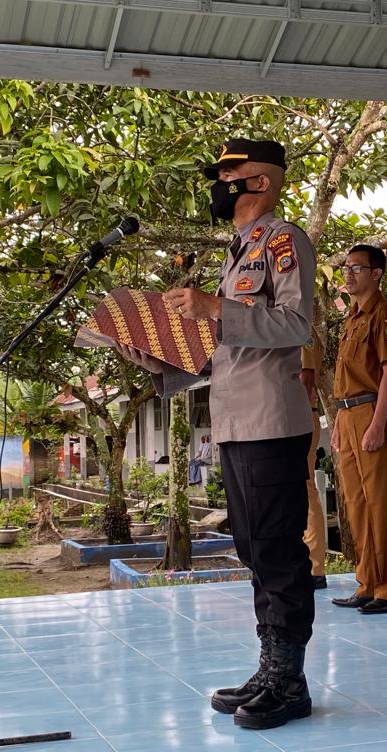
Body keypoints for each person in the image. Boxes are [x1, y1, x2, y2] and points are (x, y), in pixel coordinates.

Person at [114, 137, 316, 729]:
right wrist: (154, 355)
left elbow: (297, 324)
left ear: (261, 182)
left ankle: (290, 679)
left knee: (277, 549)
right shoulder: (237, 251)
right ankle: (273, 665)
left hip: (270, 421)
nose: (218, 187)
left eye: (229, 176)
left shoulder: (284, 240)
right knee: (254, 549)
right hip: (233, 420)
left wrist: (215, 310)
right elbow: (220, 353)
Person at [330, 244, 387, 614]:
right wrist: (338, 426)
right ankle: (368, 583)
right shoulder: (352, 318)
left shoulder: (386, 315)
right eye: (346, 268)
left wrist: (378, 423)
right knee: (356, 504)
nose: (348, 274)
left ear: (376, 274)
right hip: (347, 416)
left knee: (381, 501)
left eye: (357, 268)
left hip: (371, 410)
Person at [300, 336, 328, 589]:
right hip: (292, 417)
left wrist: (293, 415)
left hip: (301, 416)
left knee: (305, 488)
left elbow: (307, 377)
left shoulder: (303, 332)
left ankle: (314, 566)